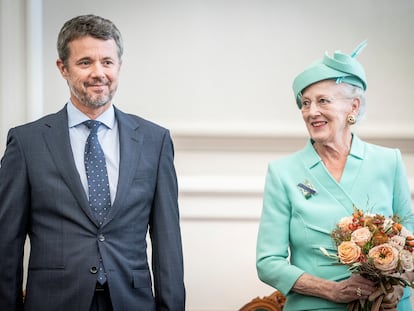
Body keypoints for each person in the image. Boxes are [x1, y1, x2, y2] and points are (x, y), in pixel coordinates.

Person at [0, 14, 185, 311]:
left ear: (119, 66)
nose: (98, 72)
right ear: (63, 68)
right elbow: (6, 246)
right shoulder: (26, 143)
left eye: (107, 62)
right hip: (54, 302)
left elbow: (168, 243)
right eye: (85, 62)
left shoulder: (155, 141)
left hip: (132, 301)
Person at [256, 42, 413, 311]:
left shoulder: (389, 161)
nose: (311, 112)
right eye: (305, 104)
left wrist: (396, 287)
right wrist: (334, 291)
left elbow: (411, 240)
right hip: (316, 306)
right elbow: (268, 262)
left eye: (322, 101)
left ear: (353, 107)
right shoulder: (284, 173)